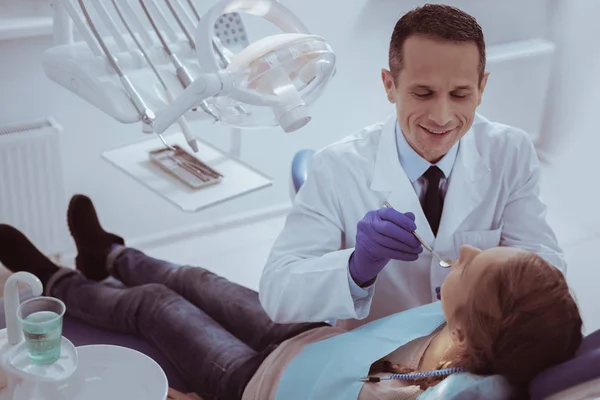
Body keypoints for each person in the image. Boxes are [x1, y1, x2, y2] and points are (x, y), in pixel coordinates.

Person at [0, 194, 582, 400]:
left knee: (158, 305)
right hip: (301, 335)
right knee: (198, 280)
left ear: (462, 333)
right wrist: (361, 261)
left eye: (478, 266)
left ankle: (57, 281)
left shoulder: (414, 392)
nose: (473, 251)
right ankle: (108, 256)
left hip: (254, 379)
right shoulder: (469, 317)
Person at [260, 4, 566, 329]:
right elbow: (277, 294)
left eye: (460, 94)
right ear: (389, 85)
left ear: (481, 88)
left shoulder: (510, 152)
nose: (442, 117)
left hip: (472, 344)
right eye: (423, 93)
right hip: (374, 356)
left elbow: (545, 266)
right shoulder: (335, 168)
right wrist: (355, 268)